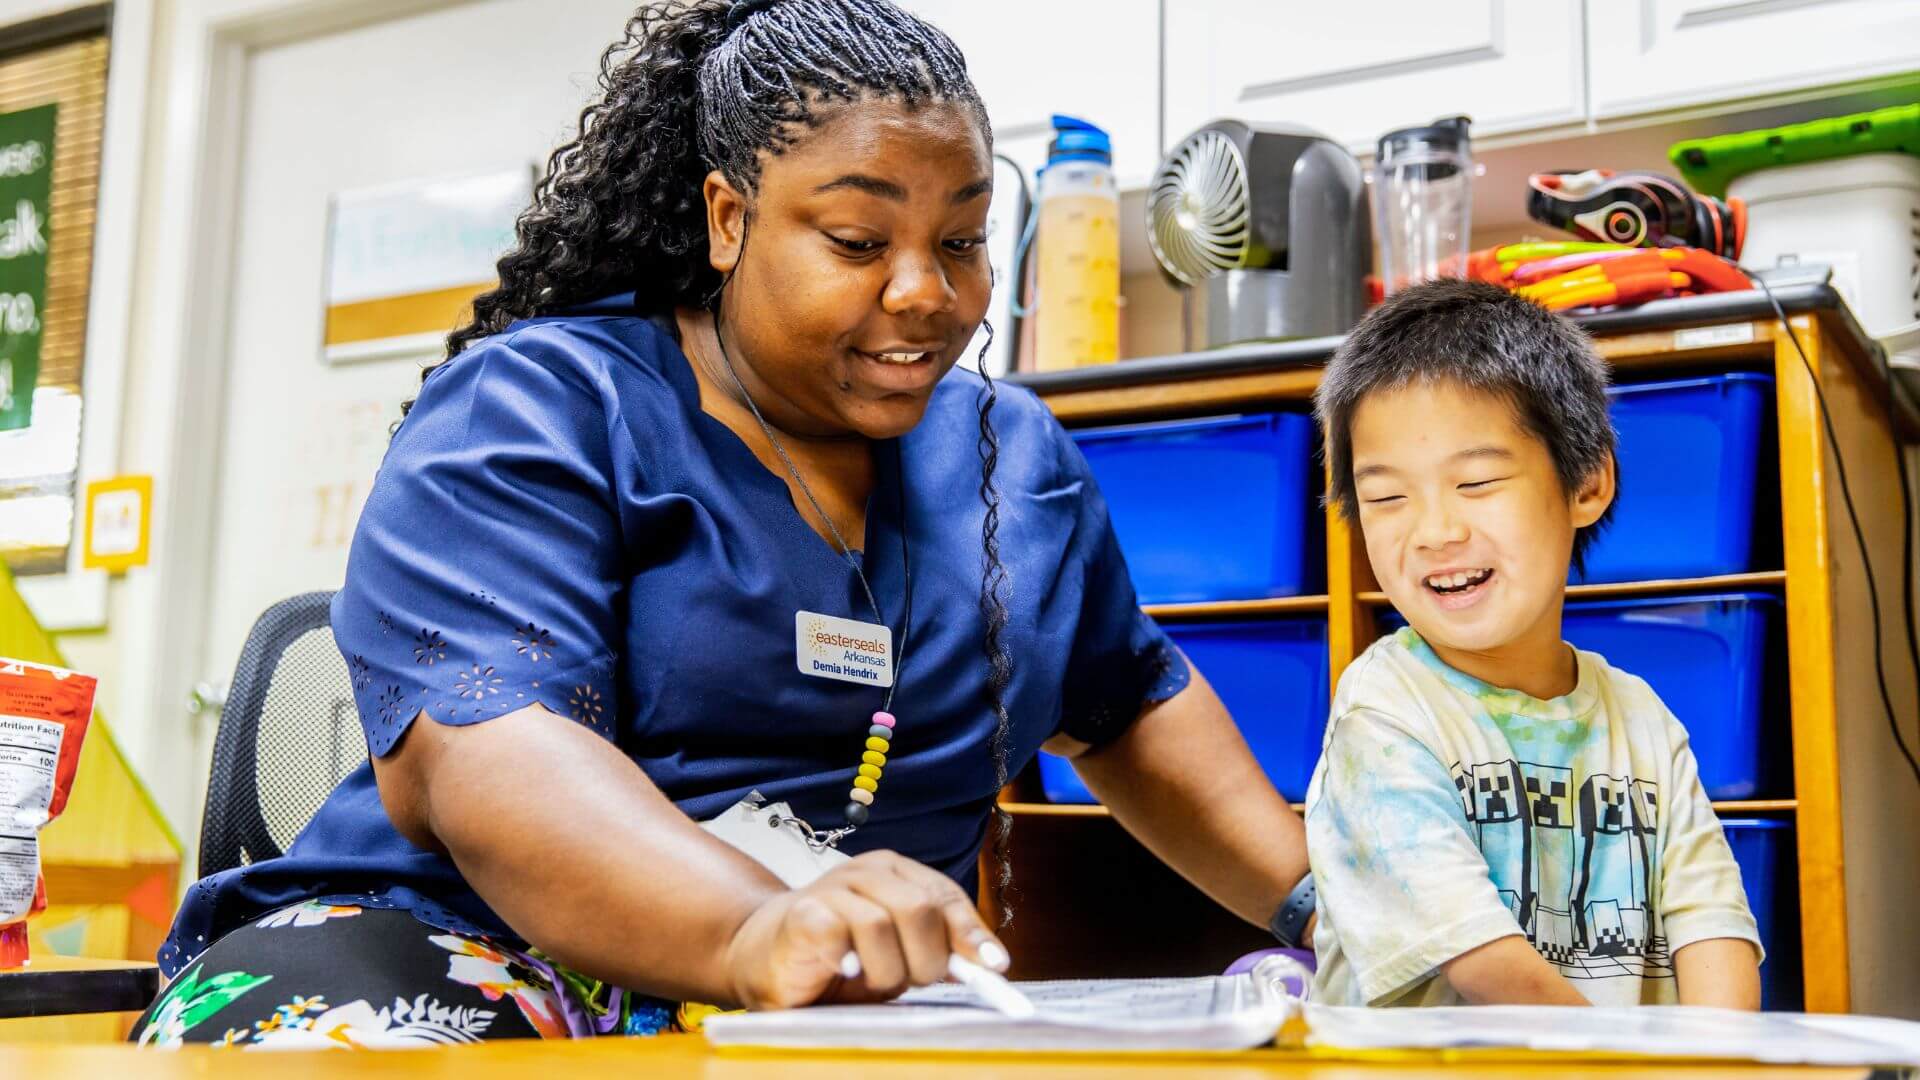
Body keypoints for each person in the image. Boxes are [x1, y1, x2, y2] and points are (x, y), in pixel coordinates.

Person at [135, 0, 1313, 1047]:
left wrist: (1337, 914)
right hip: (456, 956)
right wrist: (759, 926)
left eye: (959, 241)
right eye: (858, 241)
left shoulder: (1013, 462)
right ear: (728, 219)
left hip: (808, 1017)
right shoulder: (539, 408)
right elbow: (482, 760)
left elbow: (1131, 702)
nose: (927, 293)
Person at [1303, 279, 1763, 1009]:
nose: (1434, 532)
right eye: (1388, 498)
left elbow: (1713, 930)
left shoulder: (1641, 718)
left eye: (1476, 481)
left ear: (1587, 484)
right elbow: (1485, 966)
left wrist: (1721, 1060)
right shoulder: (1384, 713)